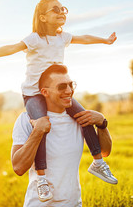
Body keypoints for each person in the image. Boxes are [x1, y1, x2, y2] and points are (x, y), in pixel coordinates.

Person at [0, 0, 117, 201]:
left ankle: (98, 162)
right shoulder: (35, 39)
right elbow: (10, 48)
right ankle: (41, 179)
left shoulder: (63, 38)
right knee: (42, 126)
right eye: (56, 9)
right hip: (34, 94)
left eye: (63, 9)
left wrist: (105, 40)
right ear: (43, 17)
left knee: (85, 116)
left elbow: (86, 38)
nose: (62, 12)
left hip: (56, 92)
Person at [11, 65, 117, 206]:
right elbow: (18, 167)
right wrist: (37, 132)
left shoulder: (80, 119)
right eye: (61, 87)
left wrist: (102, 124)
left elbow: (104, 152)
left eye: (70, 85)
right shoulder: (27, 120)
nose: (69, 91)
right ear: (45, 92)